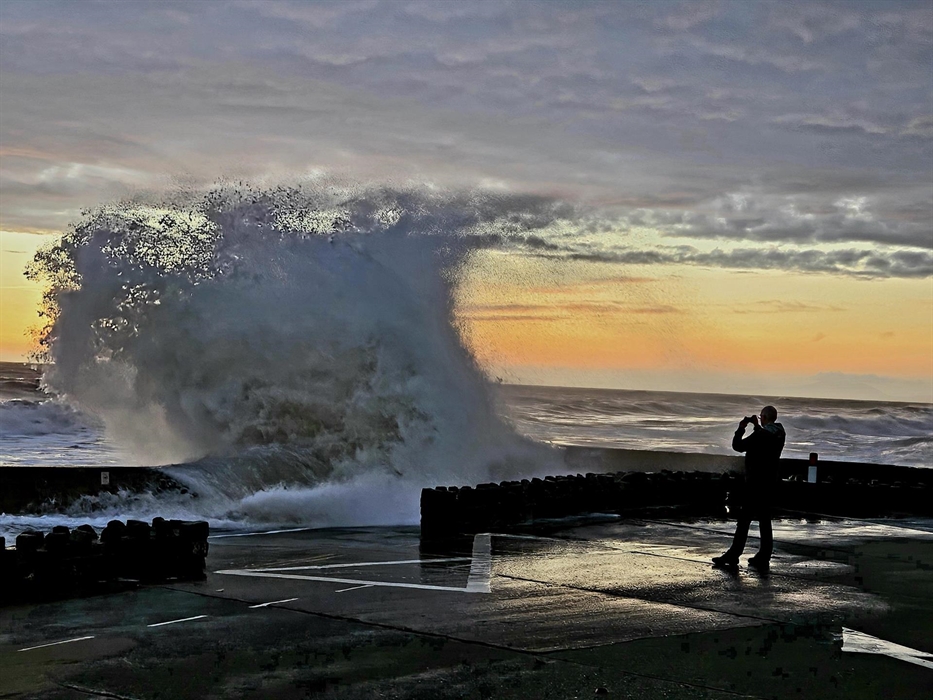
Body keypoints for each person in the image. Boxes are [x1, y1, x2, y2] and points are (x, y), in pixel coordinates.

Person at [712, 405, 786, 570]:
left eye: (761, 417)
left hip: (755, 483)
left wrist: (741, 428)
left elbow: (738, 446)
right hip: (769, 482)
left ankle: (733, 554)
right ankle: (764, 555)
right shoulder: (779, 433)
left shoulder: (761, 435)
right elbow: (764, 435)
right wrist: (756, 426)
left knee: (744, 520)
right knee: (765, 521)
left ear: (764, 418)